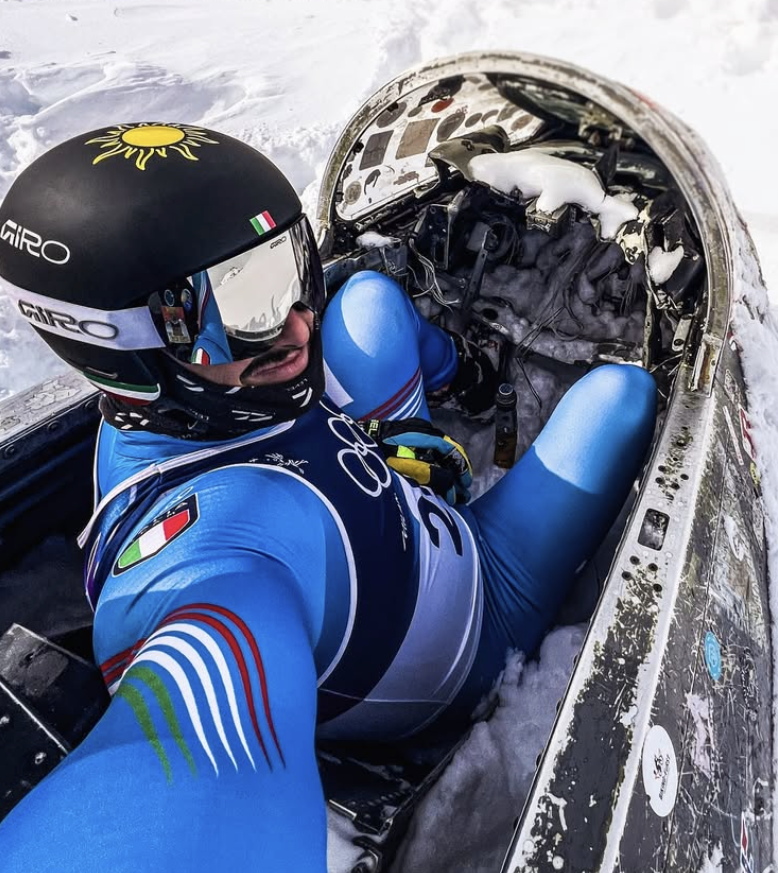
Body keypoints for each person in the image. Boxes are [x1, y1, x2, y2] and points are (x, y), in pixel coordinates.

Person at [0, 122, 656, 872]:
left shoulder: (197, 400)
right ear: (129, 349)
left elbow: (291, 394)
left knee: (369, 298)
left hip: (388, 505)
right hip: (483, 609)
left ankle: (464, 378)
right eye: (243, 307)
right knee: (622, 397)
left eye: (287, 271)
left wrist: (388, 448)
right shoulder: (223, 565)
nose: (297, 325)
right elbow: (185, 768)